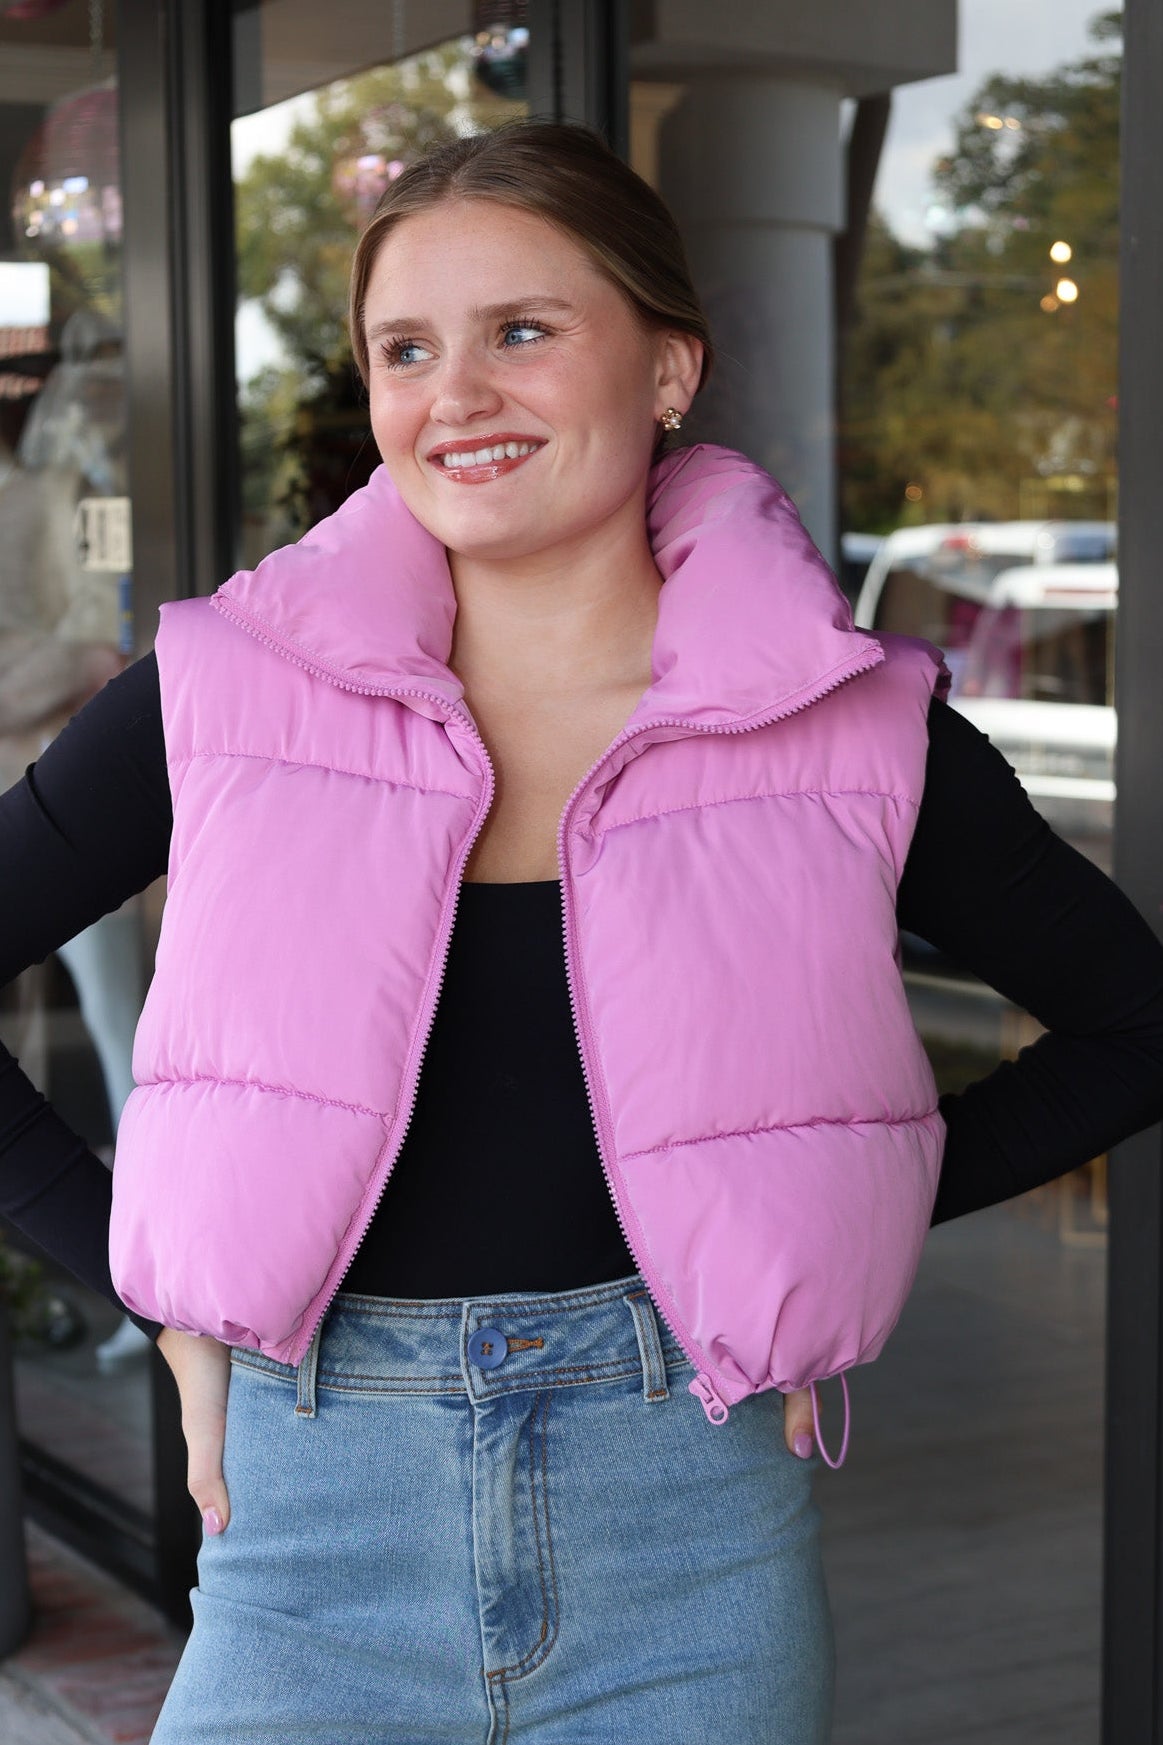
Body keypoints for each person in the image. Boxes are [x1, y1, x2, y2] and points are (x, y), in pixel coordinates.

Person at [2, 121, 1163, 1743]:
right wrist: (154, 1286)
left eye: (522, 331)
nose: (455, 395)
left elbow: (1133, 1030)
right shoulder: (221, 691)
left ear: (671, 367)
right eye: (407, 348)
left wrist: (806, 1210)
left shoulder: (843, 721)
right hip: (311, 1514)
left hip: (686, 1514)